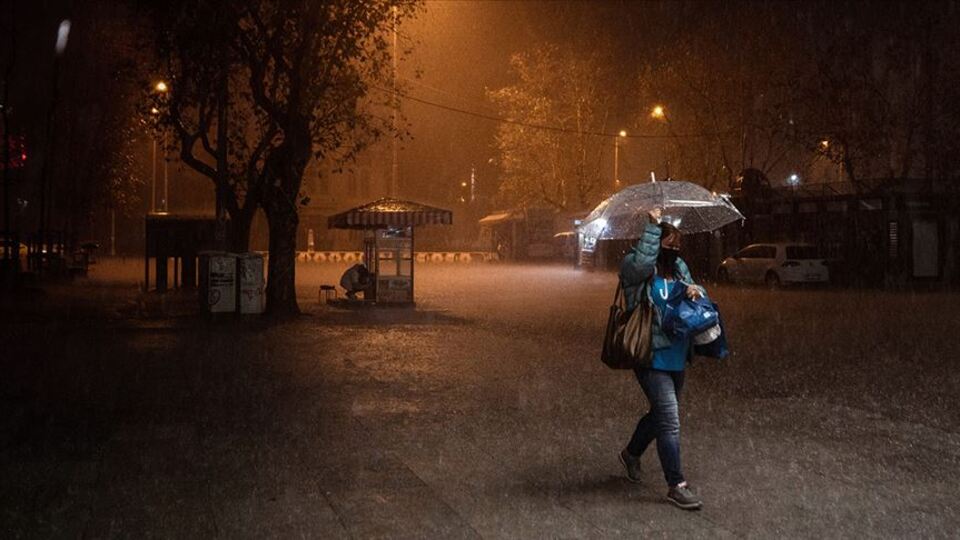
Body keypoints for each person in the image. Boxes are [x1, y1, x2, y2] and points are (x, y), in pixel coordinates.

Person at [617, 207, 706, 510]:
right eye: (669, 242)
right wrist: (653, 226)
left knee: (660, 415)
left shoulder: (678, 266)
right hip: (648, 353)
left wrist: (695, 291)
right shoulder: (633, 265)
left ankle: (631, 453)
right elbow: (642, 264)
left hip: (677, 353)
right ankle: (676, 484)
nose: (674, 248)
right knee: (669, 418)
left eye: (677, 242)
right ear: (653, 239)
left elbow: (697, 290)